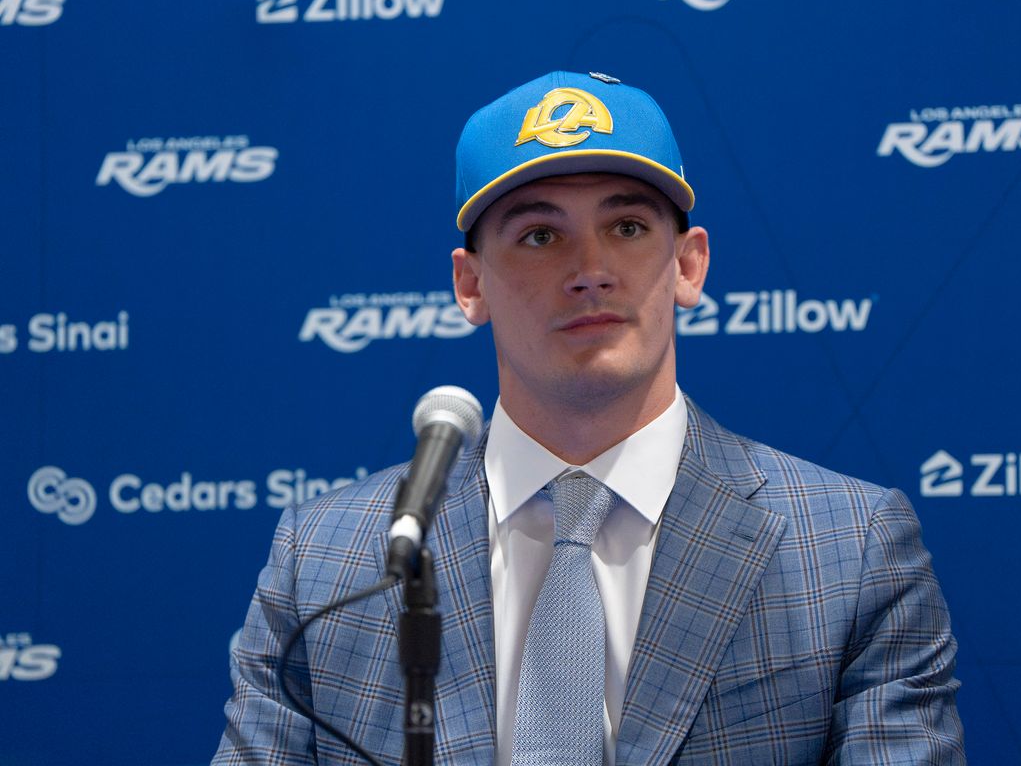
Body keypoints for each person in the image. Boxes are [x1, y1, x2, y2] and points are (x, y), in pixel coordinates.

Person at [213, 70, 966, 765]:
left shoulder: (849, 551)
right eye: (541, 236)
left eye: (629, 227)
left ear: (688, 264)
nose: (590, 270)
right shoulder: (324, 563)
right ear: (469, 284)